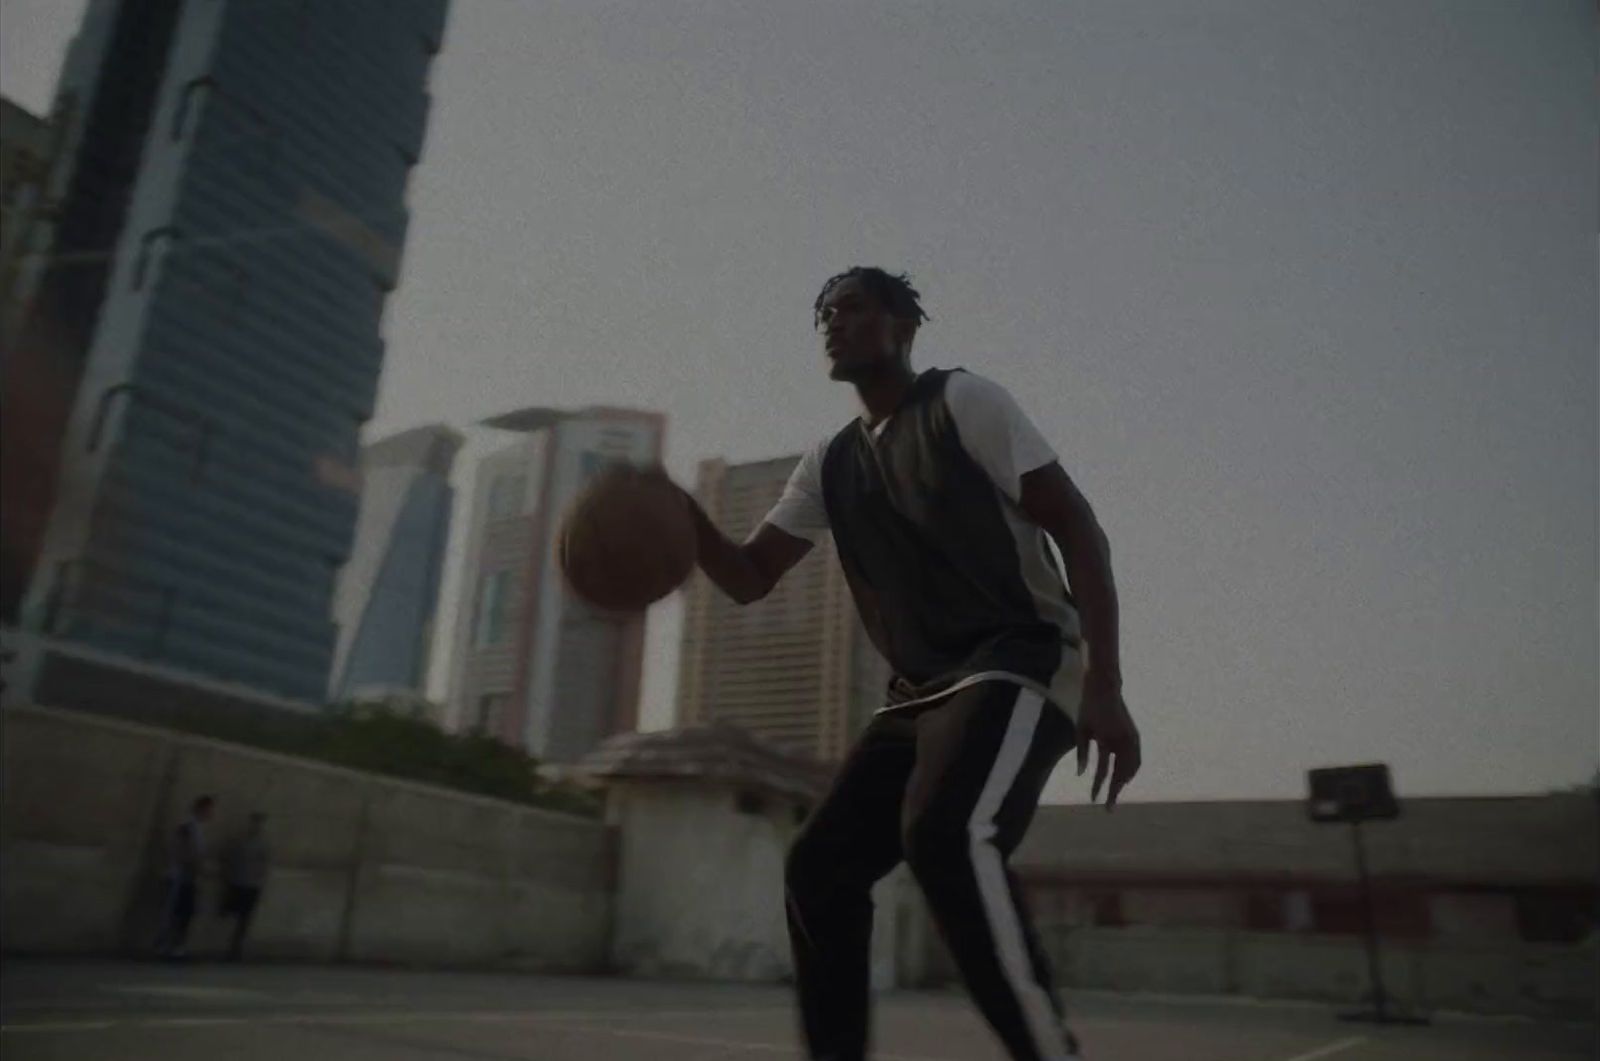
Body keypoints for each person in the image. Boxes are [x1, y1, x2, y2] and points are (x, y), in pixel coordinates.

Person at [656, 267, 1140, 1060]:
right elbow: (748, 578)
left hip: (1019, 659)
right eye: (823, 314)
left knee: (946, 833)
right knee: (820, 867)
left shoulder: (964, 402)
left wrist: (1107, 686)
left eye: (850, 307)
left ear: (903, 324)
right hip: (920, 693)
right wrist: (680, 514)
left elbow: (1079, 528)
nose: (832, 323)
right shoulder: (830, 461)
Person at [155, 794, 214, 960]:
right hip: (180, 877)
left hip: (189, 878)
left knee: (185, 913)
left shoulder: (199, 829)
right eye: (208, 809)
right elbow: (182, 852)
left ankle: (176, 947)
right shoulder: (187, 827)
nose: (210, 814)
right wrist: (198, 865)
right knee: (174, 912)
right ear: (200, 809)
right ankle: (164, 946)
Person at [219, 812, 270, 961]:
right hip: (238, 882)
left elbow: (264, 865)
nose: (256, 826)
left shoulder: (262, 844)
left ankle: (236, 948)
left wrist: (259, 880)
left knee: (244, 919)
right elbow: (230, 858)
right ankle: (231, 948)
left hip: (250, 884)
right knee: (232, 914)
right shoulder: (240, 841)